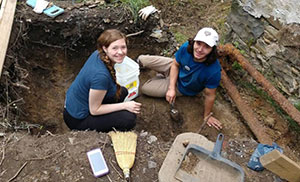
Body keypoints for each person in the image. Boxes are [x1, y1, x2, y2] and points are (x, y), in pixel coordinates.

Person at [138, 27, 222, 130]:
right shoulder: (187, 48)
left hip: (182, 86)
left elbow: (210, 95)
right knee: (142, 60)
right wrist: (170, 88)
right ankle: (163, 78)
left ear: (212, 49)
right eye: (198, 43)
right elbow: (175, 65)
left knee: (145, 88)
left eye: (206, 47)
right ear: (194, 42)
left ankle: (162, 80)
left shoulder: (213, 71)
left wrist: (207, 116)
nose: (200, 49)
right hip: (174, 68)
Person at [63, 29, 142, 132]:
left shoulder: (98, 54)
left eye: (123, 47)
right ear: (105, 48)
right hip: (78, 119)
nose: (120, 52)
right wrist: (125, 106)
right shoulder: (101, 76)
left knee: (123, 92)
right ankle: (108, 133)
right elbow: (94, 110)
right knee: (128, 118)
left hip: (78, 103)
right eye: (115, 48)